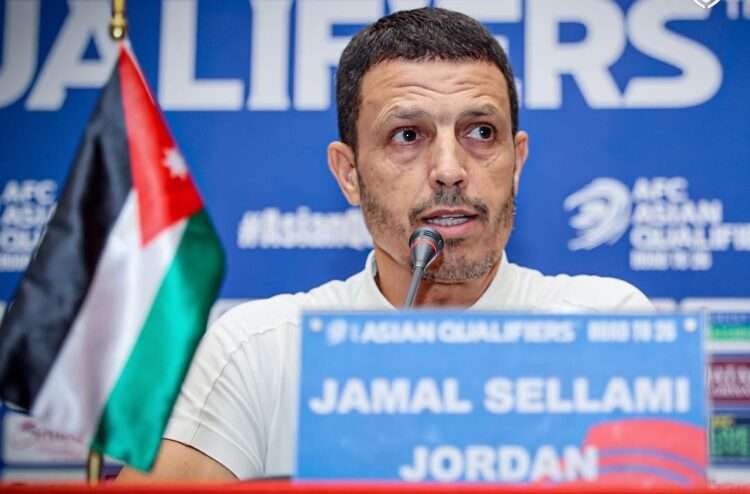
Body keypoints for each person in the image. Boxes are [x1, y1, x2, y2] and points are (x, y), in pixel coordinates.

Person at [117, 7, 651, 482]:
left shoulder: (607, 328)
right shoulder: (263, 348)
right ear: (348, 174)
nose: (449, 170)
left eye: (481, 132)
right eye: (408, 135)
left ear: (517, 162)